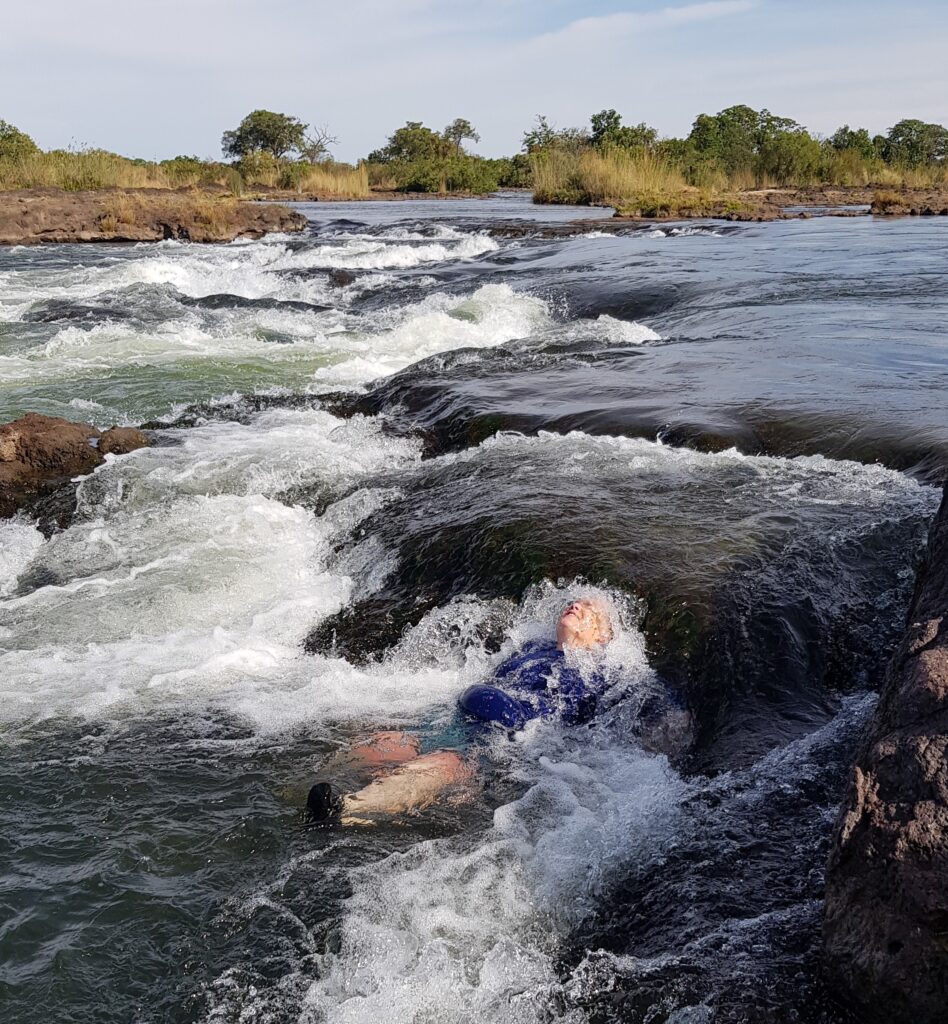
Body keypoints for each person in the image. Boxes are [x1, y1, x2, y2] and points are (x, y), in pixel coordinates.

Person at [307, 598, 618, 825]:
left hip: (491, 749)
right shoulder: (532, 648)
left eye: (588, 608)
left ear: (603, 636)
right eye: (573, 602)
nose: (576, 606)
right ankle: (298, 791)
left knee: (444, 763)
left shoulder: (594, 672)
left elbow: (552, 724)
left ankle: (344, 812)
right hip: (455, 720)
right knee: (386, 742)